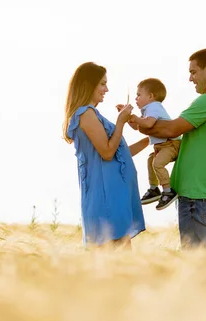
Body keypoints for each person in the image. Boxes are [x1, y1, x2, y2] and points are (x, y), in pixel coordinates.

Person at [138, 48, 206, 249]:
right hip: (202, 193)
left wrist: (139, 123)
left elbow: (171, 128)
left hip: (198, 196)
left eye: (193, 72)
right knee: (199, 264)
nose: (190, 78)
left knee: (196, 265)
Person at [63, 62, 148, 248]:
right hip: (105, 199)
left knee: (121, 265)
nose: (106, 89)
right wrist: (120, 122)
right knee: (114, 262)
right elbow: (108, 152)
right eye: (102, 84)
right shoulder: (85, 114)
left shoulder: (93, 114)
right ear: (88, 85)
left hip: (114, 197)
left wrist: (149, 141)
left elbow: (120, 154)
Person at [128, 78, 181, 210]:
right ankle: (154, 188)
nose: (136, 98)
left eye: (139, 95)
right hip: (162, 146)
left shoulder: (154, 107)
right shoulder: (148, 110)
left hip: (171, 144)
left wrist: (135, 118)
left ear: (151, 96)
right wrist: (129, 118)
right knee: (151, 160)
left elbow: (148, 124)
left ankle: (168, 191)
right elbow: (138, 127)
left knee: (157, 163)